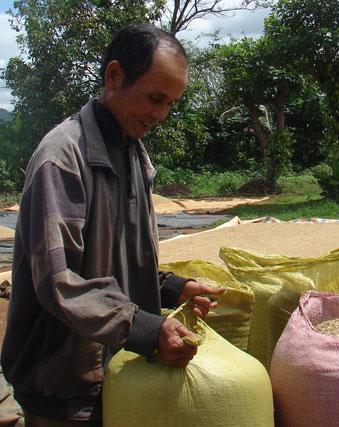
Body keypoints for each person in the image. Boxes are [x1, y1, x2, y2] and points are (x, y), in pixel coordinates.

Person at [1, 24, 225, 425]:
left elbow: (115, 265)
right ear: (114, 76)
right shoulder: (63, 159)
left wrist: (176, 288)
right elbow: (60, 281)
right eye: (155, 98)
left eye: (171, 103)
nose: (161, 115)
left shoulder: (134, 157)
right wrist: (144, 328)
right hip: (64, 386)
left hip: (118, 375)